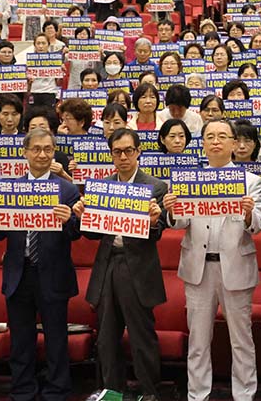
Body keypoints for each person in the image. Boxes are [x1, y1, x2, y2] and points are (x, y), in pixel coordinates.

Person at [164, 118, 261, 401]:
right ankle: (197, 395)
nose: (217, 141)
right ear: (203, 144)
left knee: (241, 340)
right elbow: (178, 222)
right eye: (210, 137)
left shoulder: (251, 181)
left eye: (223, 136)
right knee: (197, 340)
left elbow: (259, 223)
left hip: (236, 267)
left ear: (234, 143)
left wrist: (247, 213)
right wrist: (171, 210)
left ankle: (244, 395)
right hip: (198, 268)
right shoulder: (189, 180)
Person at [0, 128, 80, 401]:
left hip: (53, 274)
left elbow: (77, 234)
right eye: (36, 149)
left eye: (48, 149)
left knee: (56, 338)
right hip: (18, 273)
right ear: (25, 153)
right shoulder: (9, 189)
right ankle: (22, 389)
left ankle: (57, 391)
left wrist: (68, 220)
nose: (42, 154)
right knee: (21, 339)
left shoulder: (68, 190)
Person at [75, 128, 167, 400]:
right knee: (105, 337)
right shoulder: (103, 186)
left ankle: (150, 393)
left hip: (137, 266)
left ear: (139, 152)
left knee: (141, 337)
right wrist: (82, 217)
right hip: (107, 266)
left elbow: (158, 230)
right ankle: (112, 393)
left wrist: (152, 222)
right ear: (111, 154)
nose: (123, 156)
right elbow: (93, 233)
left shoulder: (155, 186)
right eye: (117, 152)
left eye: (129, 151)